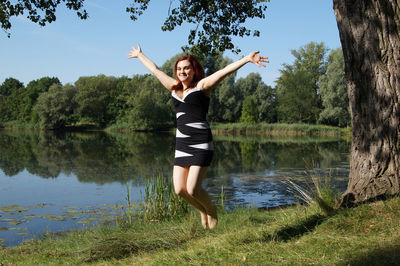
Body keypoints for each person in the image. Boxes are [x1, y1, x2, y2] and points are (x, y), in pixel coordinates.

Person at [128, 44, 268, 229]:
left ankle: (212, 211)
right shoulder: (173, 87)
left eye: (186, 68)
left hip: (201, 143)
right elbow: (155, 70)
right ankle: (202, 210)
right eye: (179, 68)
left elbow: (224, 71)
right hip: (182, 145)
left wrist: (247, 59)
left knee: (193, 189)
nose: (182, 71)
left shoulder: (202, 87)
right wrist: (140, 55)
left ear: (194, 70)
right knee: (179, 190)